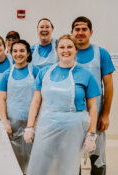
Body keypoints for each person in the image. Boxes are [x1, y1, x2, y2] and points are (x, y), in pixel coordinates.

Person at [24, 34, 100, 175]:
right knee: (38, 167)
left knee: (67, 169)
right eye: (62, 47)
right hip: (46, 127)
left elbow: (93, 107)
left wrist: (91, 134)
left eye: (70, 47)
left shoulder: (85, 74)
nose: (66, 50)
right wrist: (29, 127)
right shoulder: (44, 73)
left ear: (76, 50)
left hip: (73, 131)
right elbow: (35, 102)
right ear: (57, 50)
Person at [71, 16, 115, 175]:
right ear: (72, 32)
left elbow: (109, 86)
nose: (80, 32)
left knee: (97, 157)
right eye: (77, 29)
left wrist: (106, 114)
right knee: (72, 159)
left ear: (91, 32)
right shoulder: (67, 52)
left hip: (95, 115)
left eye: (84, 29)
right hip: (73, 116)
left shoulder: (101, 53)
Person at [0, 40, 38, 174]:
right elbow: (2, 99)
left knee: (33, 162)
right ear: (10, 53)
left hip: (32, 124)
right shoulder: (6, 74)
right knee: (14, 163)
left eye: (22, 51)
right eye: (15, 51)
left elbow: (42, 98)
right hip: (12, 125)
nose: (18, 54)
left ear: (28, 53)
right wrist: (5, 122)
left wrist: (34, 124)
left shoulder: (36, 71)